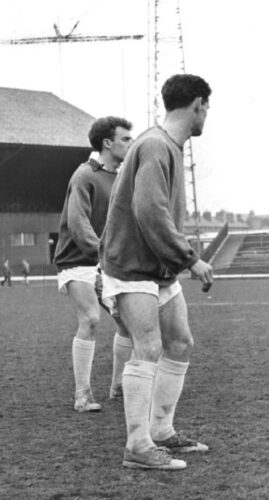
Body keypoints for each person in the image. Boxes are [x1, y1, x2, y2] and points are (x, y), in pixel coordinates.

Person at [99, 74, 215, 471]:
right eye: (207, 108)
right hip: (131, 266)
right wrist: (190, 257)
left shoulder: (166, 145)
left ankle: (161, 431)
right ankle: (137, 446)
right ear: (197, 104)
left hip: (156, 270)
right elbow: (149, 211)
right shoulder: (154, 145)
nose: (206, 116)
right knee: (148, 347)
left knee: (179, 342)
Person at [53, 116, 134, 412]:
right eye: (125, 138)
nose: (131, 143)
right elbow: (77, 222)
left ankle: (118, 387)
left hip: (107, 261)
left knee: (129, 323)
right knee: (90, 319)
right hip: (78, 260)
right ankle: (82, 395)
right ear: (107, 143)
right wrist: (102, 252)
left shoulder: (124, 178)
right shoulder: (84, 175)